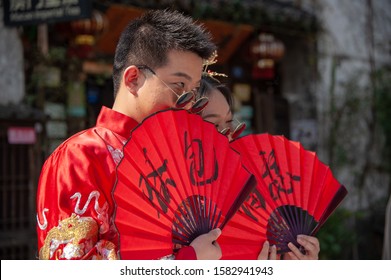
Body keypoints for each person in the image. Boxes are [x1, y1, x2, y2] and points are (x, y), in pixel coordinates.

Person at [36, 9, 221, 260]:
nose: (187, 104)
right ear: (133, 79)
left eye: (194, 92)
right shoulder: (82, 156)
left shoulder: (178, 161)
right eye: (179, 87)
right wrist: (186, 261)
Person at [198, 74, 321, 260]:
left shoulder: (251, 194)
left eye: (230, 124)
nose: (228, 136)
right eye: (214, 125)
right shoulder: (168, 207)